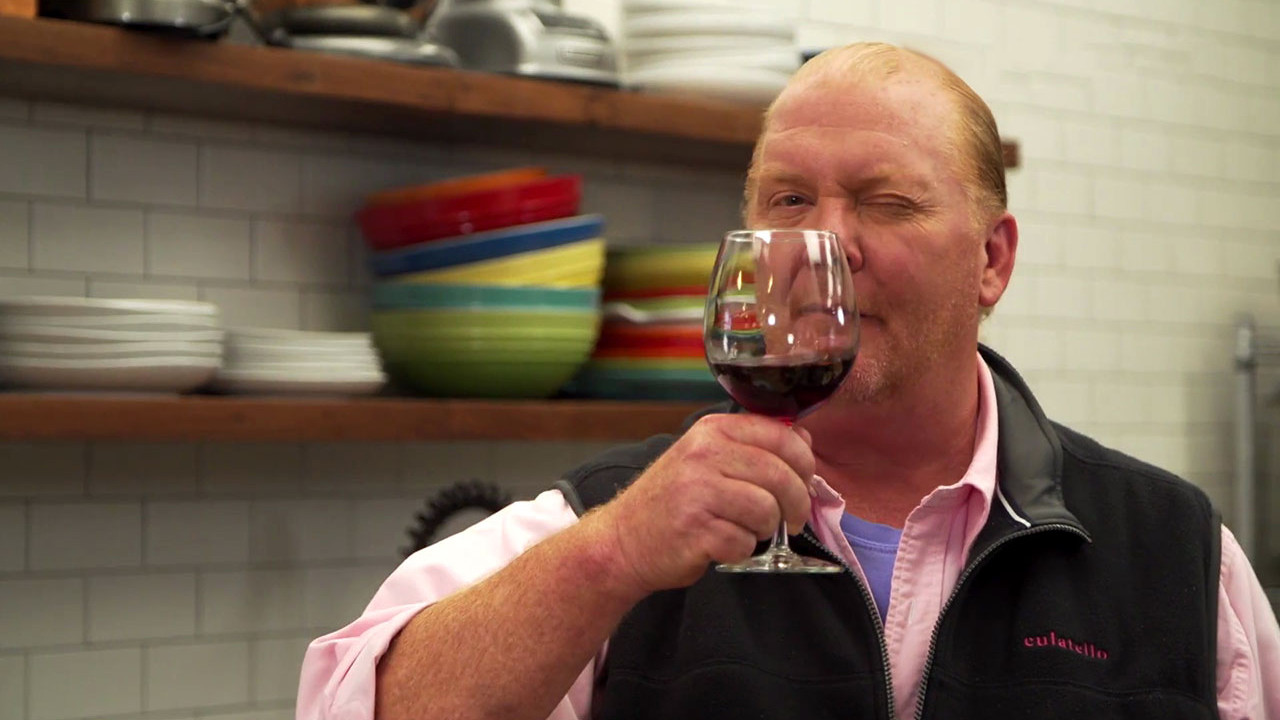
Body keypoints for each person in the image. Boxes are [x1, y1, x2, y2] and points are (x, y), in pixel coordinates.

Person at [297, 42, 1280, 720]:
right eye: (789, 201)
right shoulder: (611, 525)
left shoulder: (1180, 556)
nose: (826, 247)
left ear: (991, 260)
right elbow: (354, 703)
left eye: (886, 203)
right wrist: (614, 557)